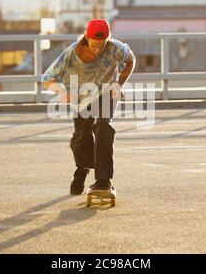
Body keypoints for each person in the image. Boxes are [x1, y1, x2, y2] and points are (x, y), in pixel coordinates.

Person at [41, 19, 136, 194]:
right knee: (81, 138)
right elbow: (47, 78)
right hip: (82, 97)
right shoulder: (71, 53)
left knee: (102, 125)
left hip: (106, 92)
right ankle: (82, 170)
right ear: (86, 38)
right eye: (94, 46)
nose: (98, 50)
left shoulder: (116, 48)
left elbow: (130, 60)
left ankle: (103, 181)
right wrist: (61, 91)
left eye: (102, 45)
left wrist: (119, 84)